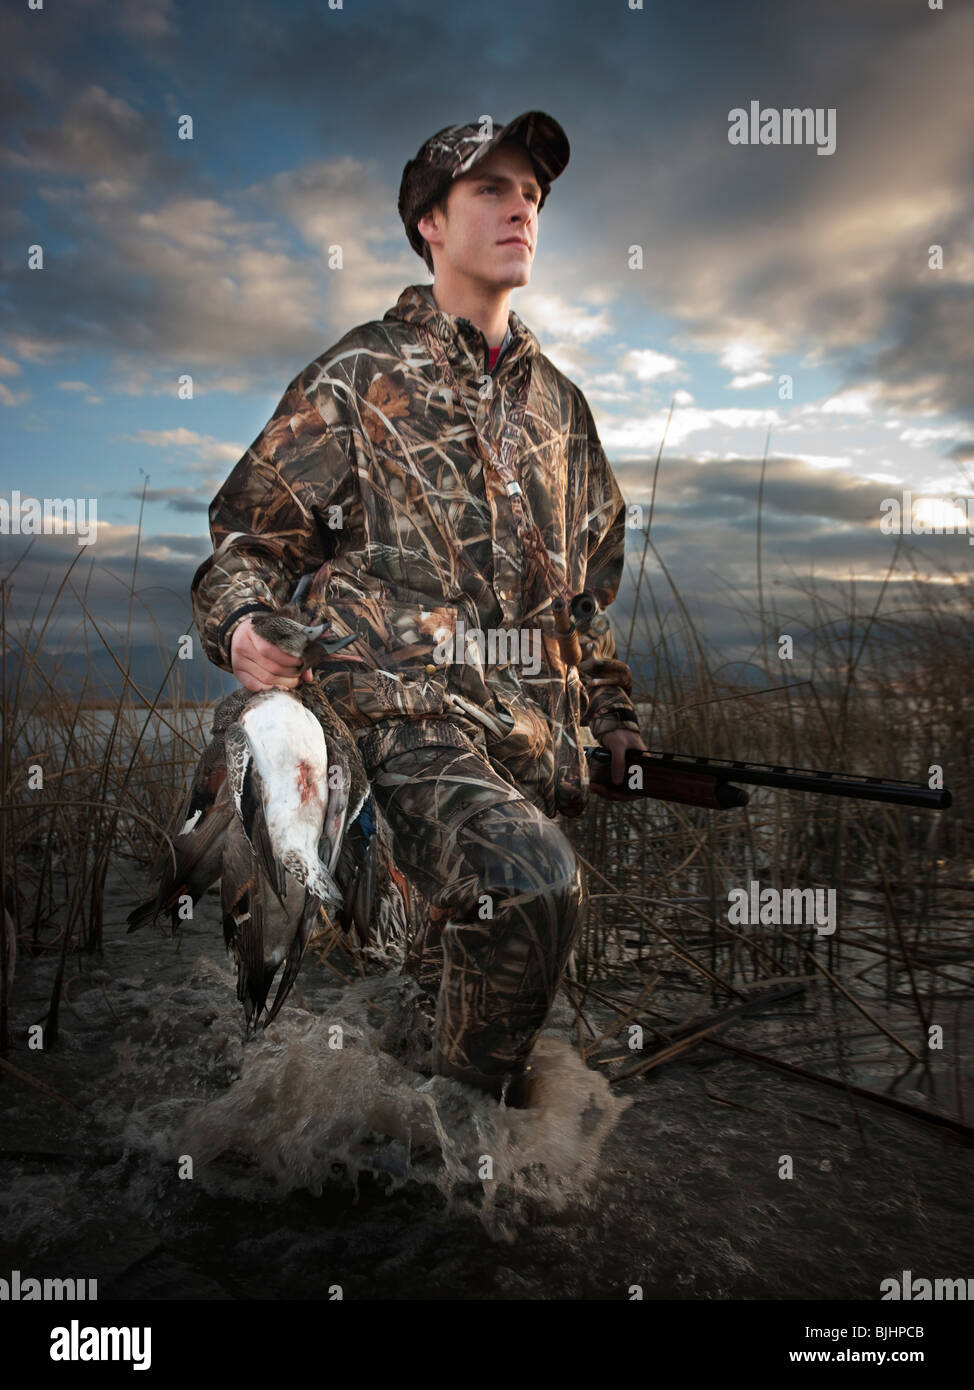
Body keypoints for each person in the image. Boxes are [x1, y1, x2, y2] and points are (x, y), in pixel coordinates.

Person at [190, 111, 647, 1106]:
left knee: (451, 980)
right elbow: (249, 543)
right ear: (428, 222)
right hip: (397, 721)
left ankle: (368, 1157)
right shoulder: (358, 375)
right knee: (532, 885)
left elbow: (583, 602)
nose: (519, 206)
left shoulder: (561, 411)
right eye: (490, 188)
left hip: (523, 745)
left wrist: (607, 721)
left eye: (530, 192)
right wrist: (239, 624)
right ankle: (469, 1166)